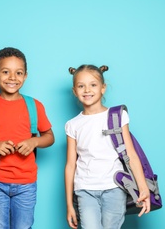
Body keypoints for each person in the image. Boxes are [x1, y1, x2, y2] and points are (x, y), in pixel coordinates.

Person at [0, 47, 55, 229]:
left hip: (26, 183)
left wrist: (35, 141)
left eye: (18, 73)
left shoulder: (34, 106)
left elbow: (50, 137)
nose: (12, 77)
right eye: (6, 72)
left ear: (25, 76)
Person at [64, 64, 150, 229]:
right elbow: (70, 165)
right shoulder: (72, 125)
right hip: (85, 189)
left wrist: (143, 187)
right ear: (75, 91)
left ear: (103, 88)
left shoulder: (118, 116)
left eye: (93, 85)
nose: (87, 90)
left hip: (114, 187)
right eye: (81, 86)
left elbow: (130, 154)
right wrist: (69, 204)